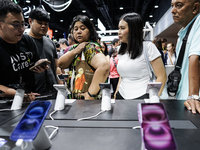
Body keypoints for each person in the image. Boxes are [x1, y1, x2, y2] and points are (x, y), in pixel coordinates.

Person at [0, 0, 47, 101]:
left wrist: (38, 66)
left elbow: (33, 64)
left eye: (22, 24)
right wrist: (17, 94)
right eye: (16, 25)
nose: (21, 29)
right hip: (5, 105)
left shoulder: (27, 40)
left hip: (29, 99)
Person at [115, 12, 167, 100]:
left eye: (122, 28)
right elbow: (122, 76)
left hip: (143, 96)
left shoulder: (148, 47)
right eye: (119, 28)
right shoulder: (120, 50)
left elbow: (162, 76)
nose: (119, 32)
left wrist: (154, 98)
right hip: (121, 96)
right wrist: (116, 92)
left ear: (133, 30)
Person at [58, 15, 109, 100]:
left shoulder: (90, 47)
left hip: (88, 102)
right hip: (78, 99)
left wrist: (91, 94)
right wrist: (75, 51)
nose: (78, 32)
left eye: (83, 28)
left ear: (90, 31)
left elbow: (104, 66)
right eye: (76, 29)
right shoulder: (75, 48)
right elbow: (61, 64)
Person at [171, 0, 200, 113]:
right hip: (185, 99)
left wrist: (193, 96)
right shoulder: (183, 33)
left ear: (195, 8)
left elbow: (195, 57)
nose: (173, 11)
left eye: (179, 5)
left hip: (194, 103)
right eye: (172, 6)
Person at [28, 7, 62, 99]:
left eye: (46, 24)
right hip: (33, 94)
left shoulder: (50, 42)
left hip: (53, 92)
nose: (43, 26)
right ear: (30, 21)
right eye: (39, 23)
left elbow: (56, 67)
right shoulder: (23, 42)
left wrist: (61, 87)